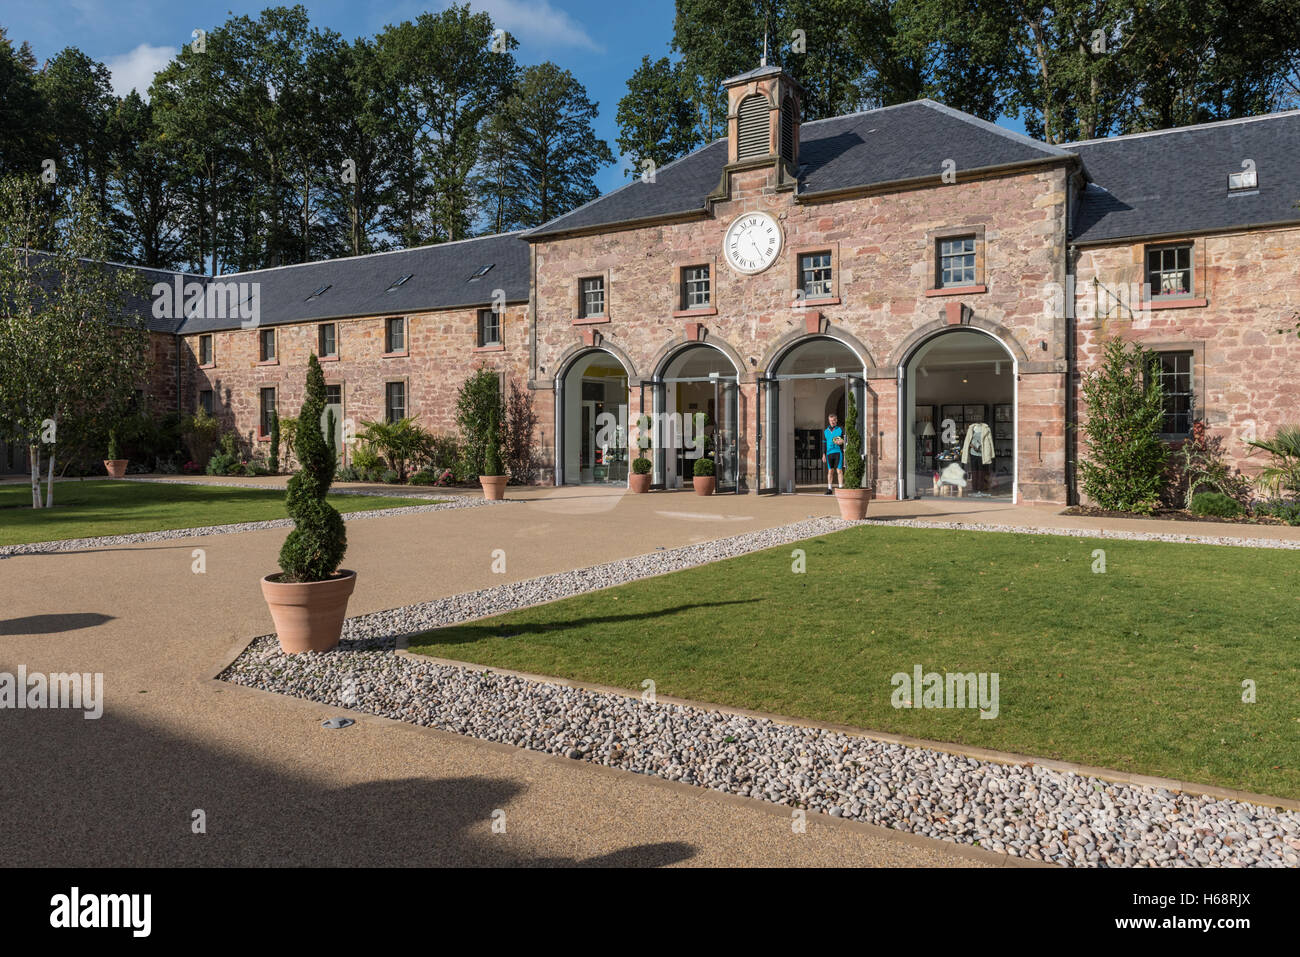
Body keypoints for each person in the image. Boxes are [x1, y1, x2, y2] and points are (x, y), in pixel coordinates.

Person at [823, 412, 845, 494]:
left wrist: (841, 442)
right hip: (829, 453)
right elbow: (824, 443)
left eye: (834, 420)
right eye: (831, 420)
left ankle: (840, 488)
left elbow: (844, 440)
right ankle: (829, 489)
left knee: (839, 471)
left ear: (836, 420)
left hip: (838, 452)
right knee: (830, 471)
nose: (832, 422)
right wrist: (823, 454)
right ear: (829, 421)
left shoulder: (840, 429)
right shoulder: (826, 431)